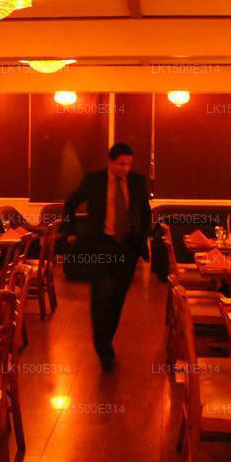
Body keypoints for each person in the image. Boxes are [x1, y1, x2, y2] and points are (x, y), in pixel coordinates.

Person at [64, 143, 152, 371]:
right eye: (122, 164)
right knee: (102, 295)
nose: (126, 168)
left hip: (127, 248)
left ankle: (107, 340)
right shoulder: (94, 180)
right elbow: (70, 204)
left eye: (129, 164)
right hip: (100, 246)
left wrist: (143, 237)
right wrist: (70, 232)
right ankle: (102, 347)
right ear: (110, 162)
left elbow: (145, 212)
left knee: (117, 299)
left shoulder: (137, 181)